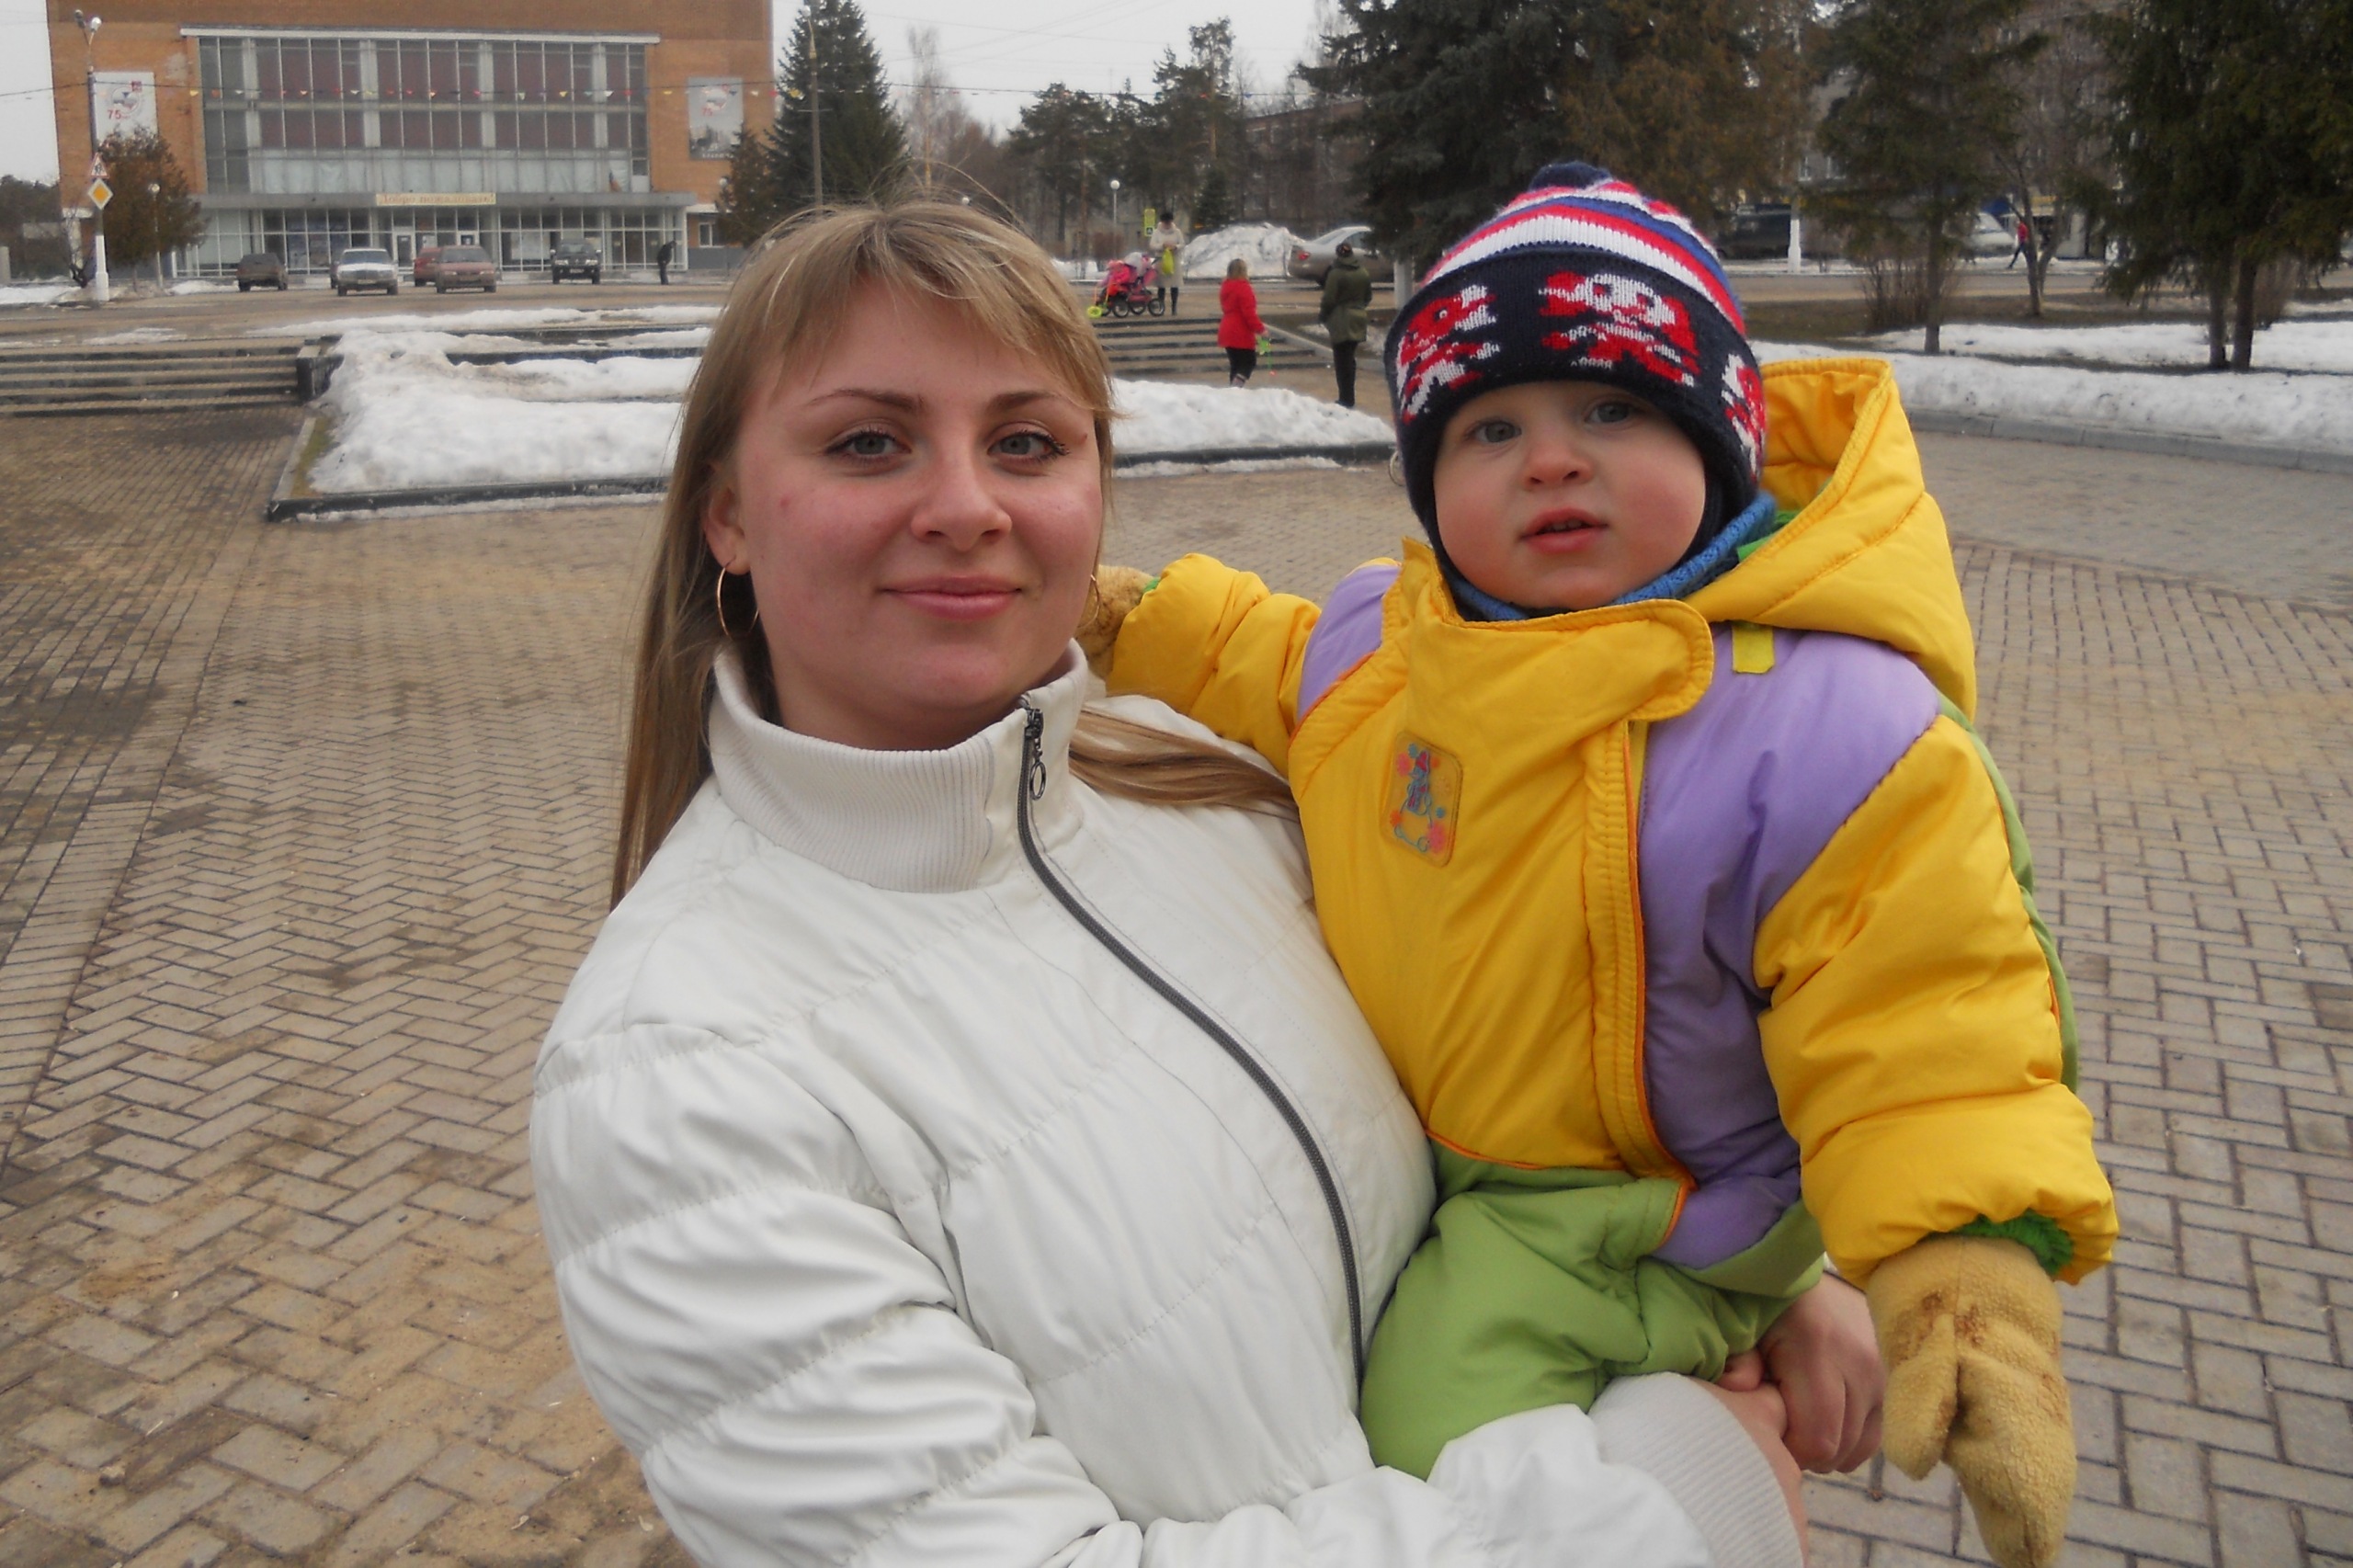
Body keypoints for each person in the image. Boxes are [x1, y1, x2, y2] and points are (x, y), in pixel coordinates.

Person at [533, 199, 1833, 1568]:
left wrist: (1719, 1258)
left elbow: (1510, 1077)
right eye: (869, 442)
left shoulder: (1213, 783)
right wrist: (1664, 1493)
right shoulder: (674, 1078)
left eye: (1027, 442)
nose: (967, 506)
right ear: (727, 514)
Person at [1087, 165, 2118, 1568]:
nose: (1551, 460)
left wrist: (1966, 1284)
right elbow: (1254, 652)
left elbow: (1931, 1027)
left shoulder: (1826, 732)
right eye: (1489, 427)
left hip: (1628, 1215)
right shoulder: (1388, 651)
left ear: (1719, 441)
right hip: (1437, 1163)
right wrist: (1123, 617)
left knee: (1429, 1429)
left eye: (1611, 410)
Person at [1320, 241, 1371, 408]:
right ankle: (1349, 396)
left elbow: (1329, 299)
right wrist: (1358, 307)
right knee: (1349, 359)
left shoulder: (1336, 274)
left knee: (1342, 361)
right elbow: (1368, 297)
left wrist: (1323, 315)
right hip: (1358, 319)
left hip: (1341, 320)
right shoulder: (1363, 272)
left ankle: (1346, 398)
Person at [1217, 255, 1267, 386]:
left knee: (1235, 365)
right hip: (1240, 331)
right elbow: (1249, 313)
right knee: (1249, 362)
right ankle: (1236, 388)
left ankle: (1233, 391)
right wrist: (1261, 329)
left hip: (1226, 329)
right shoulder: (1244, 288)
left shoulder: (1226, 287)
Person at [1151, 210, 1186, 315]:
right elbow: (1152, 245)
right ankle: (1161, 307)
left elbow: (1182, 244)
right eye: (1165, 222)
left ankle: (1174, 308)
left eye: (1169, 222)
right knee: (1161, 285)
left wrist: (1175, 247)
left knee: (1174, 285)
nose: (1167, 224)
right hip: (1161, 260)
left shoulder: (1177, 232)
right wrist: (1162, 246)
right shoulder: (1157, 232)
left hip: (1174, 260)